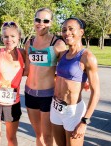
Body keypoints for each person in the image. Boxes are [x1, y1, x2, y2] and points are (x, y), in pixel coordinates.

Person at [50, 17, 100, 146]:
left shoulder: (87, 58)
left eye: (71, 29)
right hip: (55, 108)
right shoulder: (62, 55)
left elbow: (96, 92)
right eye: (64, 29)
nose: (67, 33)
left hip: (72, 112)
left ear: (81, 32)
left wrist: (84, 121)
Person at [24, 8, 67, 146]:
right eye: (38, 20)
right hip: (29, 93)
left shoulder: (58, 44)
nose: (41, 23)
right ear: (34, 21)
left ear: (51, 23)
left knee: (48, 137)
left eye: (46, 21)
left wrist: (84, 79)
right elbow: (26, 70)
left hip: (47, 96)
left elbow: (67, 68)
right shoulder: (28, 43)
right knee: (39, 135)